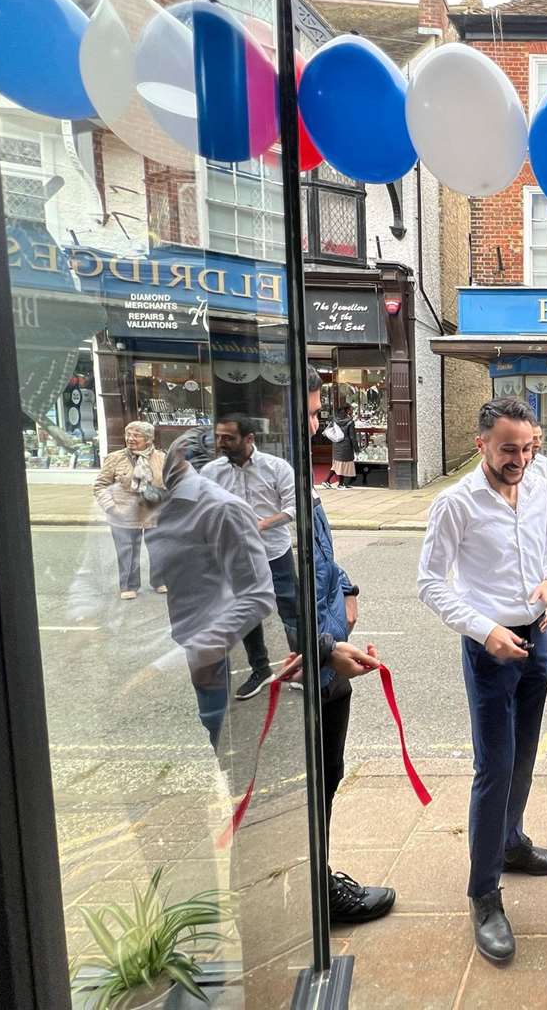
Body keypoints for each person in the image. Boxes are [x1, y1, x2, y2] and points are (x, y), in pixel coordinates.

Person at [417, 396, 547, 965]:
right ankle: (484, 893)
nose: (522, 459)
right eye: (510, 449)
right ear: (481, 443)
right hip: (490, 648)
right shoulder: (454, 504)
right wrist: (484, 631)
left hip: (538, 637)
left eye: (529, 447)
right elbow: (431, 583)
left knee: (525, 754)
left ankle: (511, 843)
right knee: (494, 767)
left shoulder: (539, 483)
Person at [294, 367, 397, 925]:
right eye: (310, 413)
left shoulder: (289, 482)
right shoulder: (251, 492)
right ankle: (303, 895)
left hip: (328, 666)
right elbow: (254, 600)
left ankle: (315, 878)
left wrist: (348, 587)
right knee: (298, 789)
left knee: (326, 775)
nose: (317, 424)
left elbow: (318, 561)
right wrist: (325, 645)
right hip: (300, 671)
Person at [144, 430, 274, 749]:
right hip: (184, 635)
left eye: (173, 458)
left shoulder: (222, 508)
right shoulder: (171, 502)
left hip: (204, 644)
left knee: (210, 730)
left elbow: (258, 595)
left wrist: (204, 652)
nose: (164, 463)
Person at [202, 412, 298, 700]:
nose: (222, 443)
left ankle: (301, 665)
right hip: (236, 555)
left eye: (229, 438)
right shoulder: (211, 472)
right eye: (218, 437)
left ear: (249, 439)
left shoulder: (276, 468)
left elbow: (294, 507)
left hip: (273, 550)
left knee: (290, 608)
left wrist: (262, 525)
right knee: (247, 612)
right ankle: (261, 669)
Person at [93, 421, 167, 599]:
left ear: (148, 439)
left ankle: (159, 580)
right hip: (123, 513)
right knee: (127, 550)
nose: (130, 439)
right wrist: (111, 507)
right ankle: (128, 585)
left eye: (136, 435)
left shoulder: (161, 458)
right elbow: (100, 486)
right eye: (128, 435)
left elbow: (169, 483)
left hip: (153, 511)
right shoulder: (115, 458)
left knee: (158, 548)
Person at [321, 405, 357, 489]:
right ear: (347, 411)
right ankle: (338, 483)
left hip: (337, 444)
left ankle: (337, 483)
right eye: (351, 410)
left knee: (338, 464)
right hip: (346, 445)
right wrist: (356, 448)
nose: (352, 411)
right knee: (341, 465)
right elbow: (352, 437)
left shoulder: (335, 419)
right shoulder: (350, 422)